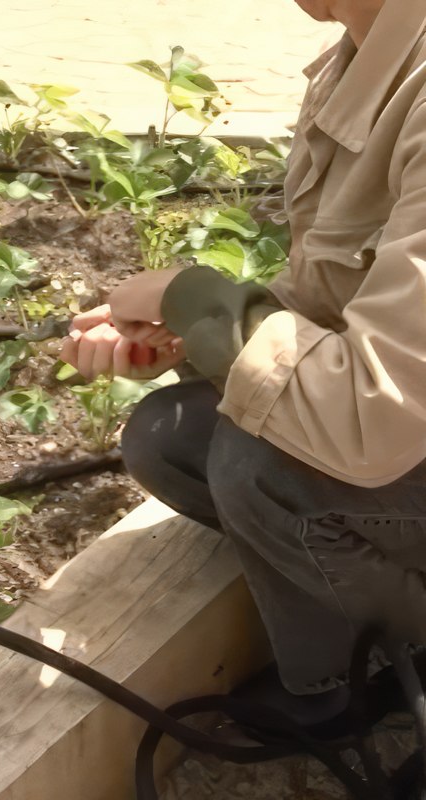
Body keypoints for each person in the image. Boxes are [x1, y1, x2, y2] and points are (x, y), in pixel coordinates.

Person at [61, 0, 426, 726]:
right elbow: (333, 299)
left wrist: (195, 299)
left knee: (258, 468)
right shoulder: (366, 50)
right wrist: (190, 336)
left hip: (393, 429)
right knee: (173, 437)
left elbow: (371, 418)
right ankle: (363, 644)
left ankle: (346, 680)